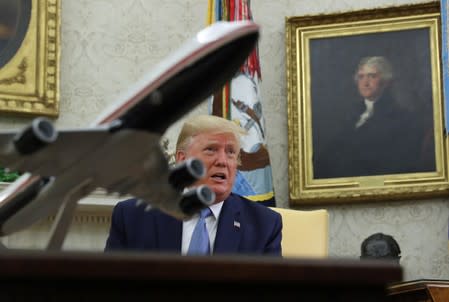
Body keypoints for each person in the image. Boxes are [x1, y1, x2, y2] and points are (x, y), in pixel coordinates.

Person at [105, 114, 282, 255]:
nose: (223, 161)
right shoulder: (133, 217)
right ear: (183, 160)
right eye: (211, 149)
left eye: (230, 153)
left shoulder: (264, 225)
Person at [314, 56, 433, 178]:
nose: (365, 83)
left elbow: (395, 164)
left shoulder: (403, 119)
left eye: (372, 76)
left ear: (386, 82)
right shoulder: (350, 114)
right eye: (361, 77)